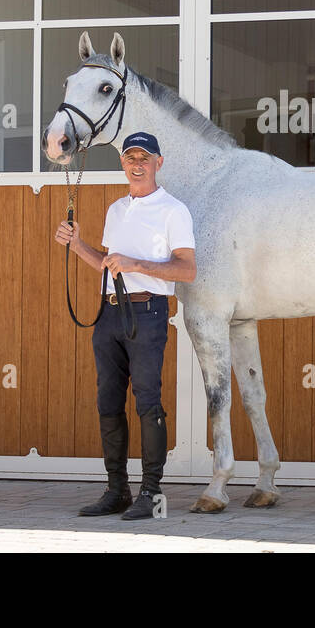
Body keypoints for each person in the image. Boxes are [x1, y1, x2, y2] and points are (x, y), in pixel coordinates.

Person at [53, 131, 196, 520]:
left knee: (148, 401)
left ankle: (151, 493)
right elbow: (107, 261)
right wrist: (77, 244)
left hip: (148, 313)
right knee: (108, 402)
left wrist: (137, 265)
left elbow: (186, 269)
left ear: (158, 163)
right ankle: (117, 490)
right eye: (130, 157)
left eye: (144, 158)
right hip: (109, 312)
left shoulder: (173, 210)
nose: (137, 164)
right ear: (123, 163)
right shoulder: (116, 209)